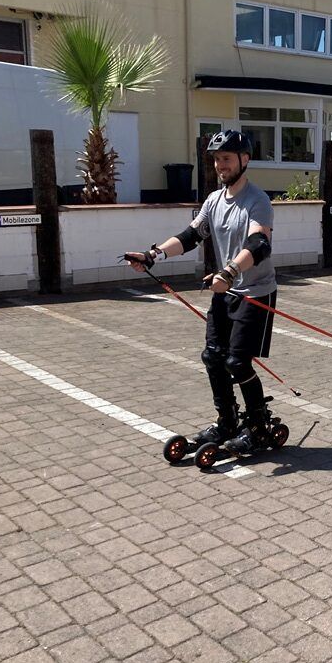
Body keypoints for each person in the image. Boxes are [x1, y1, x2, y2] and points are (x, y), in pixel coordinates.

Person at [125, 130, 278, 455]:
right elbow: (190, 236)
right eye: (217, 159)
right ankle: (226, 421)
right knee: (213, 356)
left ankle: (257, 425)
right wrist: (153, 255)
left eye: (226, 158)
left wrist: (230, 271)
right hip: (225, 291)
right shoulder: (213, 201)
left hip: (255, 292)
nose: (220, 165)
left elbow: (259, 244)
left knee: (238, 362)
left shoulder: (257, 201)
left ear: (244, 160)